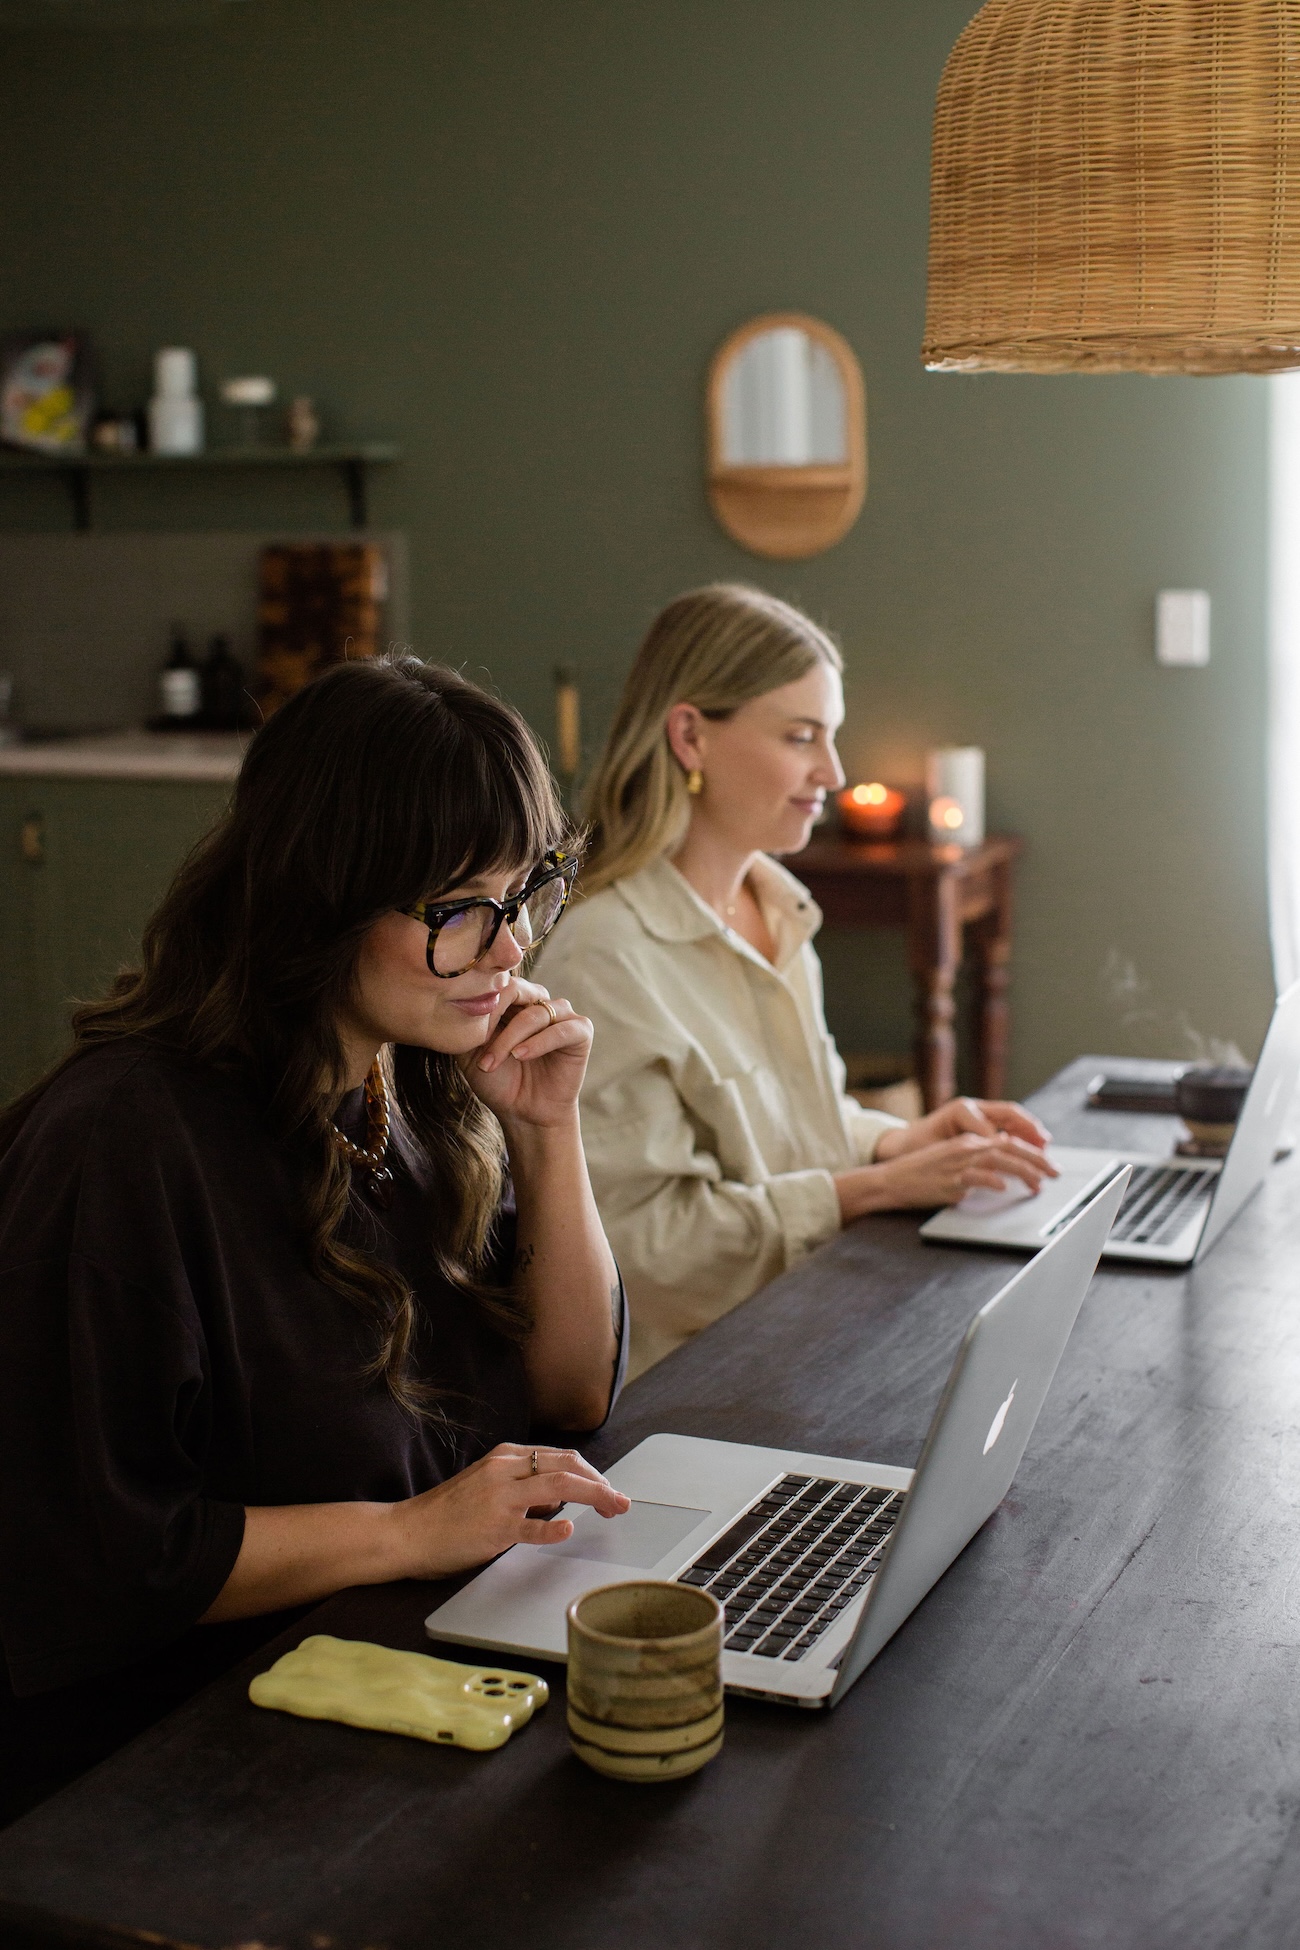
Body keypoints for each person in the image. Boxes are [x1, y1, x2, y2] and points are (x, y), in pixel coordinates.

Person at [0, 655, 629, 1819]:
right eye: (457, 911)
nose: (509, 950)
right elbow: (86, 1563)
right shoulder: (127, 1141)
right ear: (317, 901)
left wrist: (548, 1134)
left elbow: (569, 1391)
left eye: (524, 893)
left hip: (394, 1683)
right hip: (166, 1762)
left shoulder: (414, 1088)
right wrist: (406, 1534)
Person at [535, 584, 1055, 1379]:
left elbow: (785, 1131)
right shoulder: (603, 955)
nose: (834, 772)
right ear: (690, 737)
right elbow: (642, 1252)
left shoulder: (777, 909)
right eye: (802, 737)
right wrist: (872, 1191)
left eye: (831, 736)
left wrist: (900, 1140)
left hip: (811, 1327)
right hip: (698, 1381)